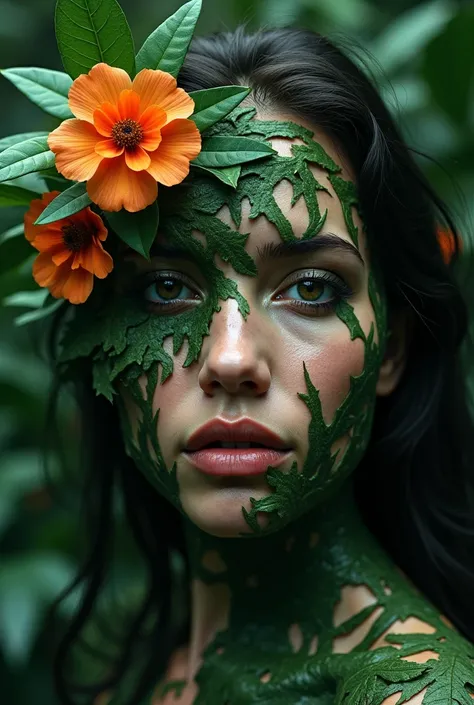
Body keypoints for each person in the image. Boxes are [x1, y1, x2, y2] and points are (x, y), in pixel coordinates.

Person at [6, 7, 474, 705]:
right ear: (100, 343)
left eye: (311, 288)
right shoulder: (131, 655)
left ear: (392, 350)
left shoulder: (412, 693)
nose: (229, 358)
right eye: (167, 287)